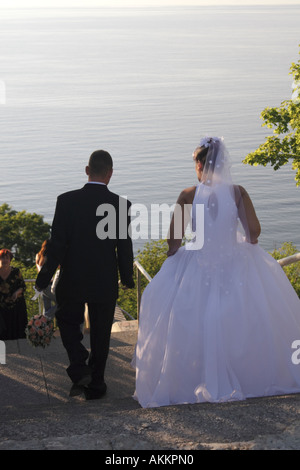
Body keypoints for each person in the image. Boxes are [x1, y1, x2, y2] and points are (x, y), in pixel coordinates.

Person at [134, 136, 300, 408]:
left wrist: (176, 255)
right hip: (235, 262)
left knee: (191, 321)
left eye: (195, 163)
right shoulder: (238, 192)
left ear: (200, 164)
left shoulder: (188, 195)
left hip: (197, 265)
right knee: (245, 320)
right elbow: (254, 234)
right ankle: (251, 378)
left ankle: (193, 379)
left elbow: (173, 241)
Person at [35, 150, 134, 399]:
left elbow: (57, 245)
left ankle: (79, 366)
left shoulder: (66, 201)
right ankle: (96, 385)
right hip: (104, 280)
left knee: (67, 322)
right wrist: (127, 278)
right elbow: (124, 246)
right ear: (110, 173)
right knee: (101, 333)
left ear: (87, 170)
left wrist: (43, 278)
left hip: (73, 278)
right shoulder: (120, 205)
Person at [0, 248, 28, 340]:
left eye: (6, 258)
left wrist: (17, 292)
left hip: (16, 304)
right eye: (2, 258)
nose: (4, 260)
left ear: (10, 260)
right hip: (1, 306)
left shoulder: (16, 271)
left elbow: (23, 286)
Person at [35, 240, 58, 318]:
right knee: (61, 302)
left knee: (47, 307)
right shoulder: (49, 258)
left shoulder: (38, 256)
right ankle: (45, 318)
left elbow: (39, 270)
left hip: (42, 284)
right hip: (49, 284)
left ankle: (45, 327)